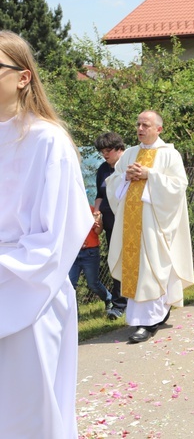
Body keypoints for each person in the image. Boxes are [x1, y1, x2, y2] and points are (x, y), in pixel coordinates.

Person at [0, 30, 92, 438]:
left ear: (22, 77)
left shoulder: (47, 140)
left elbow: (53, 239)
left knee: (29, 417)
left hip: (27, 295)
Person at [106, 110, 194, 343]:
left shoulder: (170, 155)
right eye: (138, 124)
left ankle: (149, 321)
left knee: (153, 266)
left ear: (159, 129)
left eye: (146, 125)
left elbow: (179, 186)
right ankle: (143, 317)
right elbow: (112, 182)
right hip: (131, 224)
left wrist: (150, 175)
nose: (140, 129)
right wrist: (125, 177)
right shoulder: (130, 154)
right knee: (137, 267)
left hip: (155, 224)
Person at [94, 131, 128, 319]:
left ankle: (137, 300)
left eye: (108, 150)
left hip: (128, 219)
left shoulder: (128, 165)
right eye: (102, 152)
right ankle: (119, 304)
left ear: (119, 149)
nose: (105, 155)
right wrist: (96, 213)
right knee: (115, 260)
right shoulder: (102, 169)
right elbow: (100, 195)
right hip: (109, 221)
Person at [68, 206, 113, 313]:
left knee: (93, 283)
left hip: (90, 253)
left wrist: (98, 223)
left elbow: (98, 231)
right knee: (70, 284)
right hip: (73, 253)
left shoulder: (92, 210)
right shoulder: (66, 211)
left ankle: (108, 299)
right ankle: (74, 314)